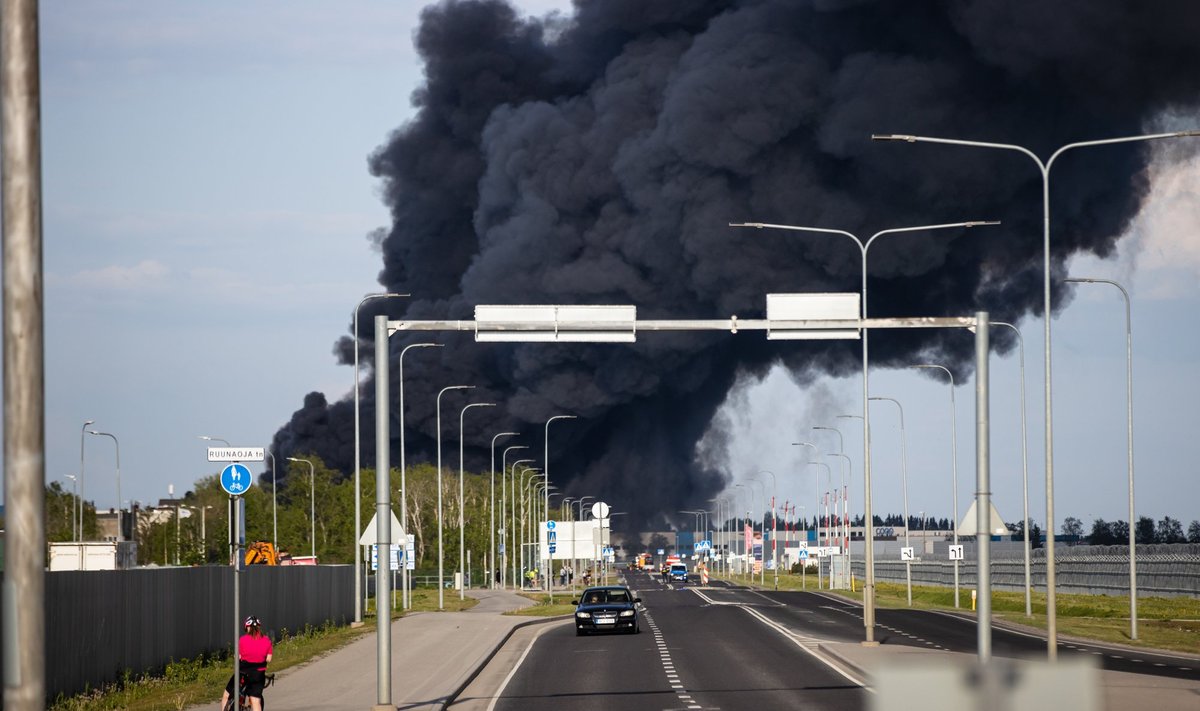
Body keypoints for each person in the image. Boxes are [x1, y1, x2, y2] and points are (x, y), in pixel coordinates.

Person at [220, 615, 273, 711]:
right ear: (258, 627)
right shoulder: (267, 641)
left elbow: (238, 657)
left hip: (242, 675)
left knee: (226, 696)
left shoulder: (242, 640)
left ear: (247, 627)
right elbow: (269, 659)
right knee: (256, 701)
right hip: (258, 675)